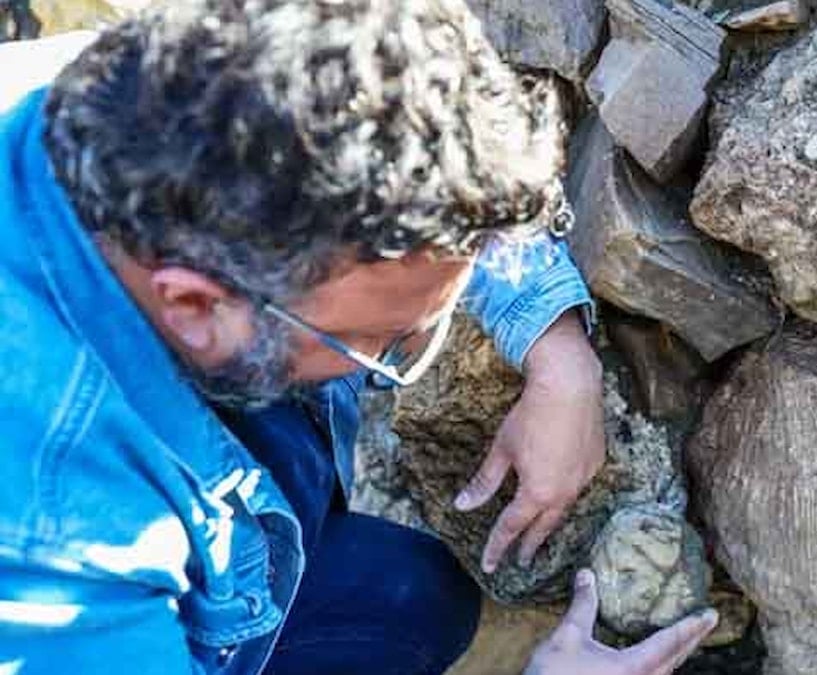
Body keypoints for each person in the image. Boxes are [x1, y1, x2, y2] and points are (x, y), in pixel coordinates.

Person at [0, 0, 718, 673]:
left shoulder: (184, 83)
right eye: (380, 341)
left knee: (414, 601)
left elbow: (430, 167)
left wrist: (559, 353)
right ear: (194, 304)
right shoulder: (54, 549)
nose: (384, 365)